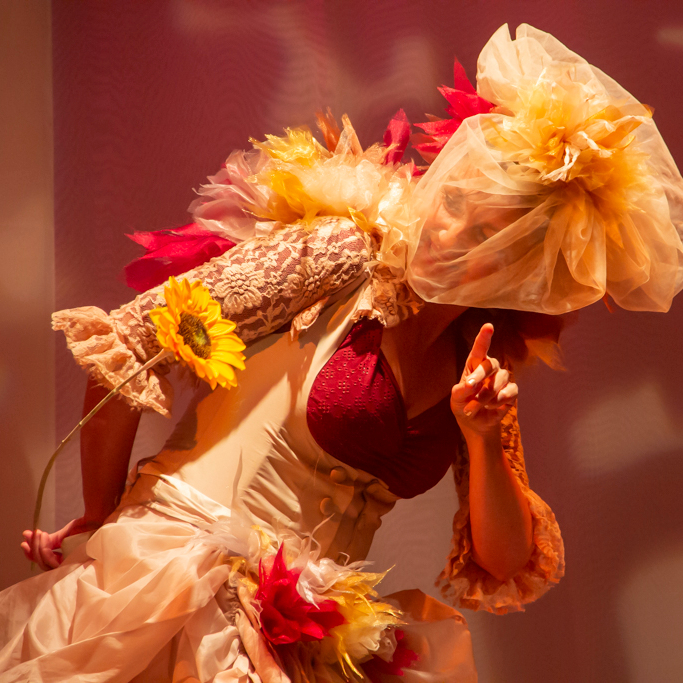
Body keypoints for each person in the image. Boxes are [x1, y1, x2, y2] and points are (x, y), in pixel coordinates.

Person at [1, 23, 682, 683]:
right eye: (453, 201)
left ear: (521, 271)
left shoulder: (476, 359)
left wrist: (480, 438)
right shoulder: (344, 252)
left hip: (304, 631)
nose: (450, 232)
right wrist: (105, 518)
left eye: (487, 235)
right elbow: (131, 339)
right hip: (177, 577)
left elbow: (503, 561)